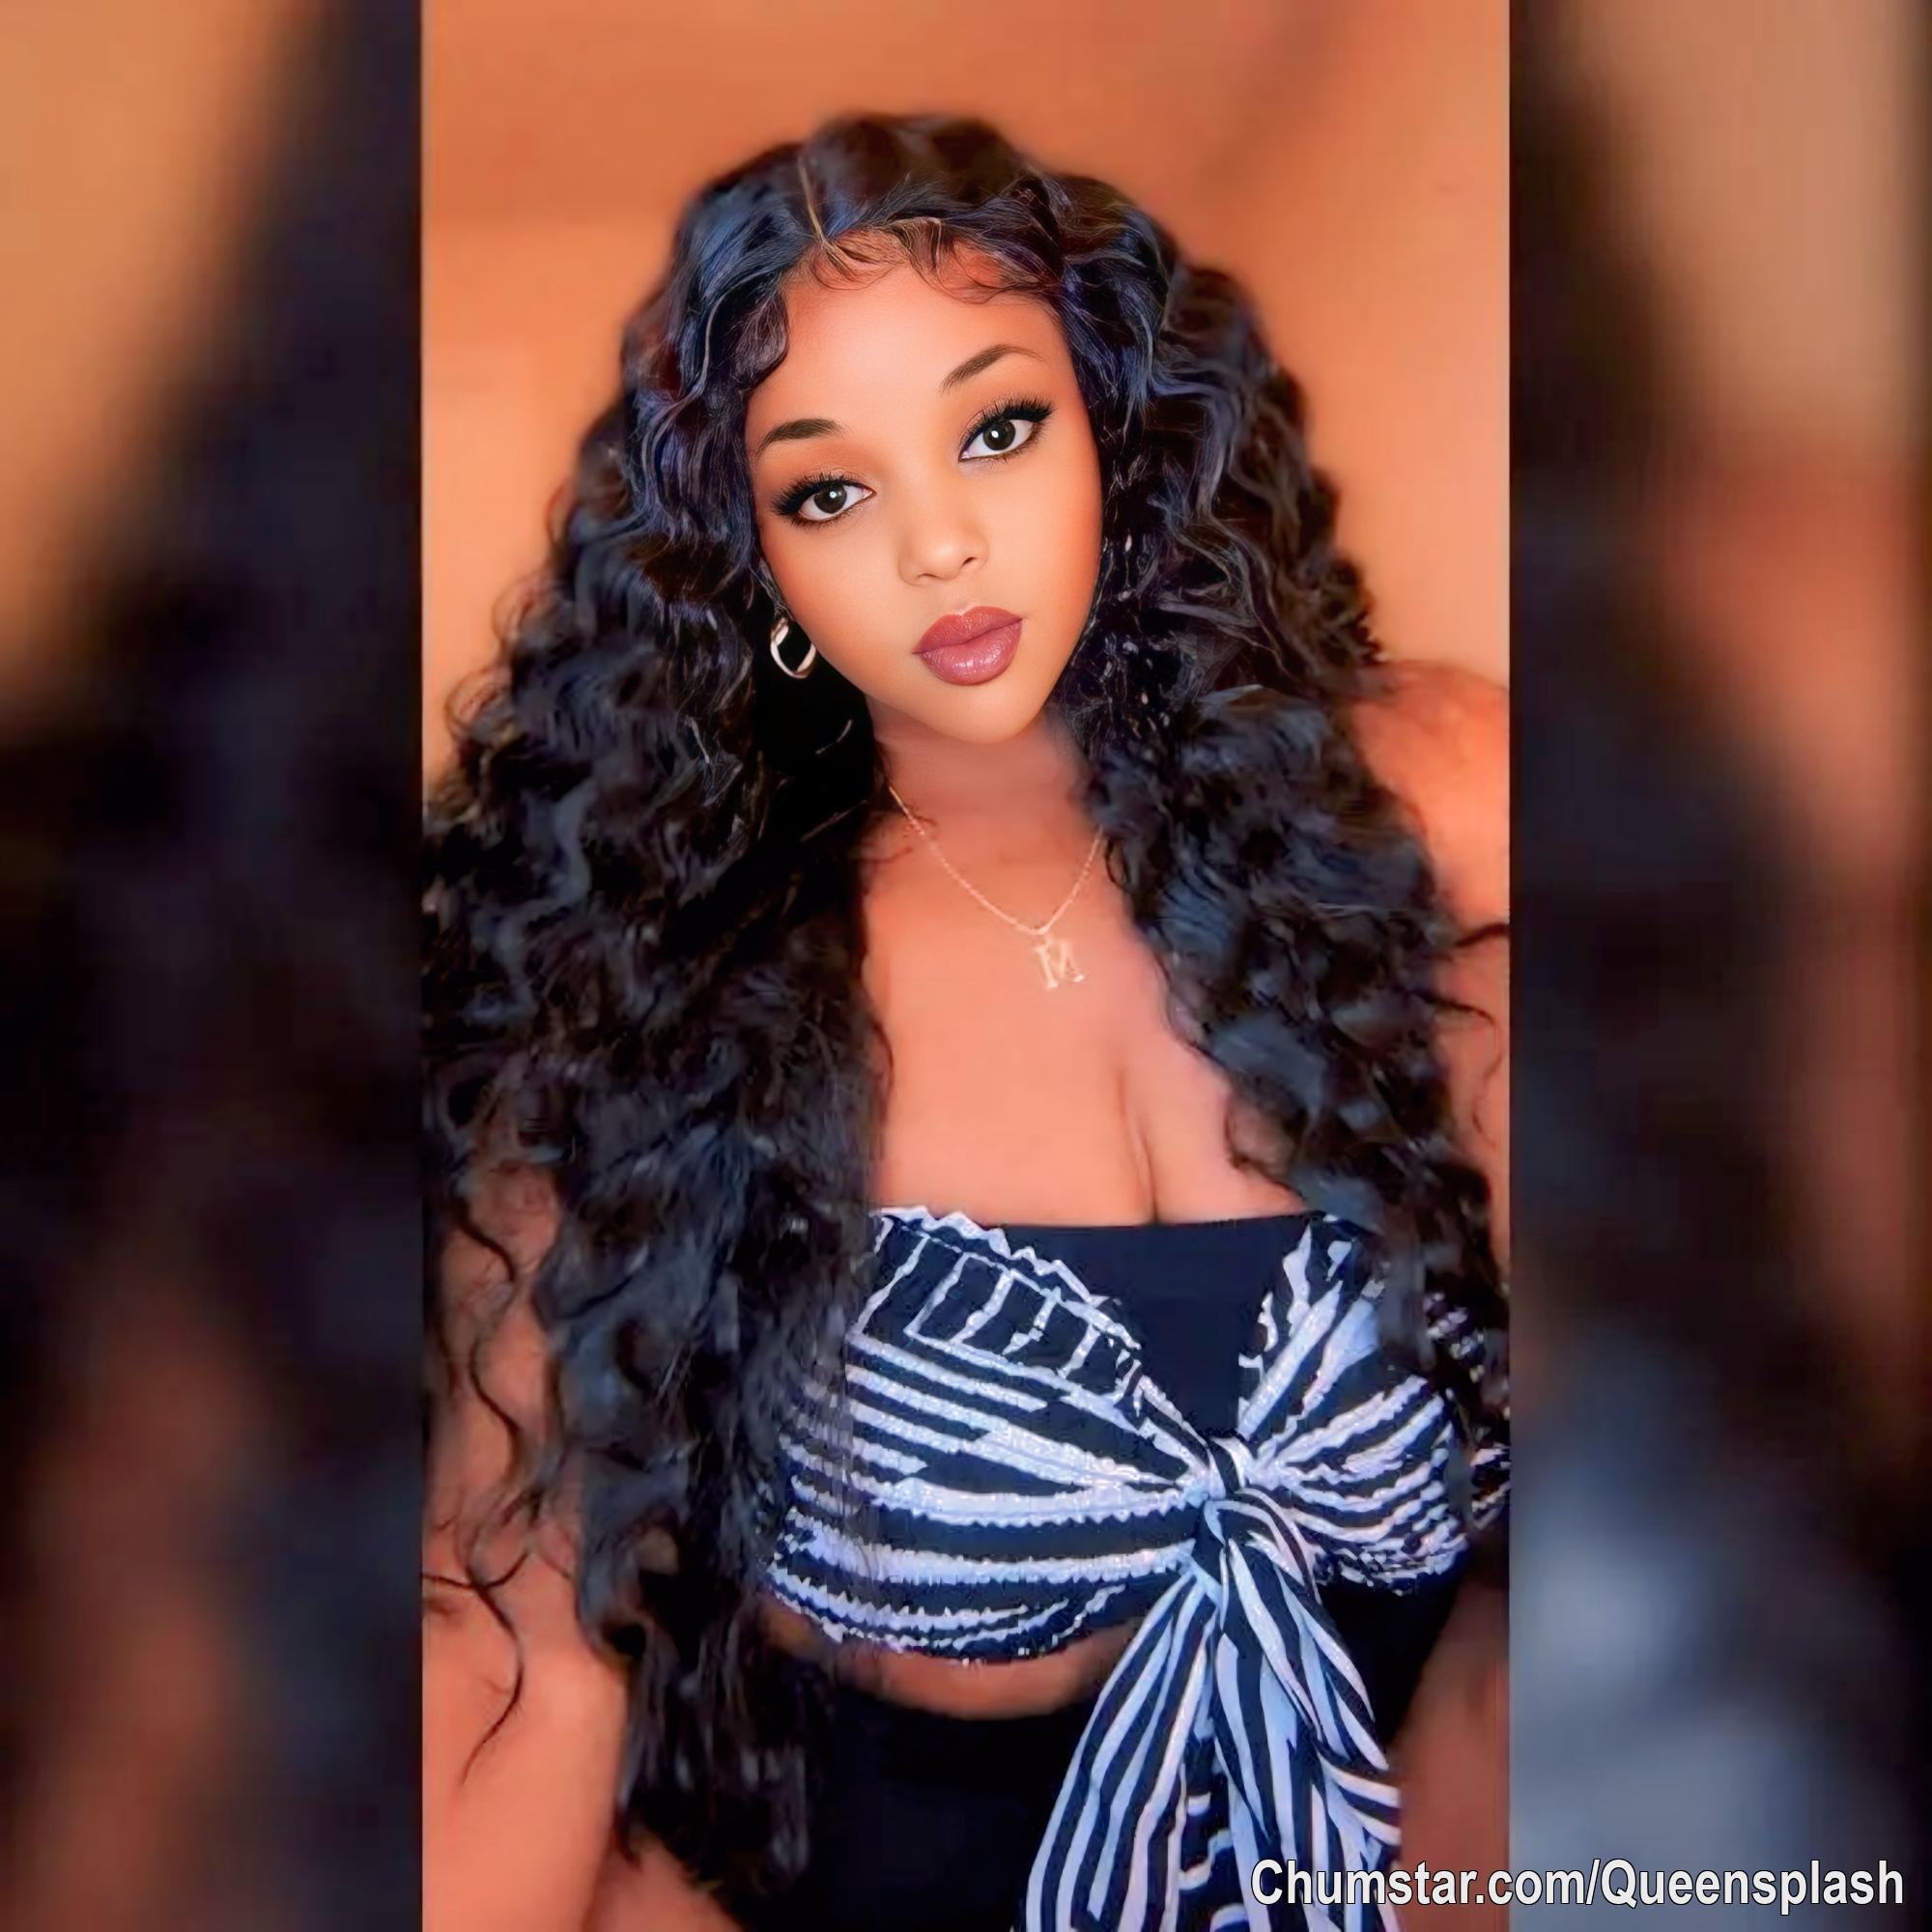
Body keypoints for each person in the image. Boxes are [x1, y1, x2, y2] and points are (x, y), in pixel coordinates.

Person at [423, 112, 1509, 1932]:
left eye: (996, 429)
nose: (937, 546)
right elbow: (506, 1672)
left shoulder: (1410, 818)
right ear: (751, 565)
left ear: (1114, 428)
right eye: (827, 492)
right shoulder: (640, 1002)